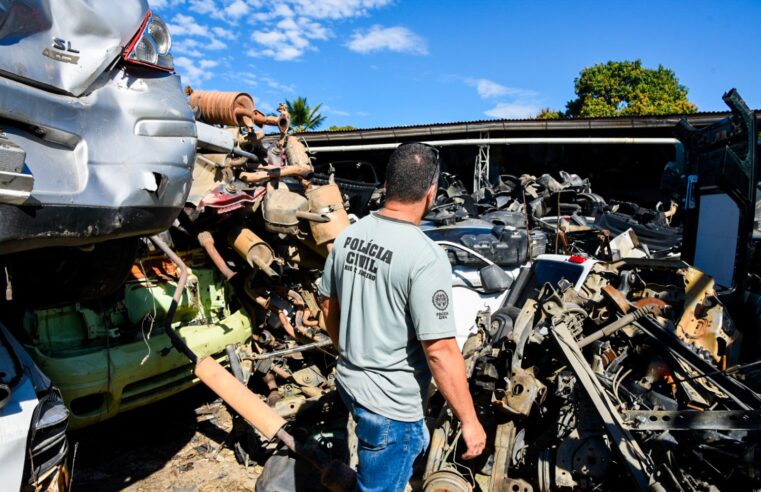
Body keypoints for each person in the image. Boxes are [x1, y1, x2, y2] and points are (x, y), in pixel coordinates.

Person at [318, 142, 486, 491]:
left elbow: (327, 309)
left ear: (388, 184)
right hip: (391, 409)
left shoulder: (349, 236)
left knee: (400, 451)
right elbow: (439, 350)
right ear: (431, 191)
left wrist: (352, 354)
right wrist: (469, 421)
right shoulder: (426, 256)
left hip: (351, 384)